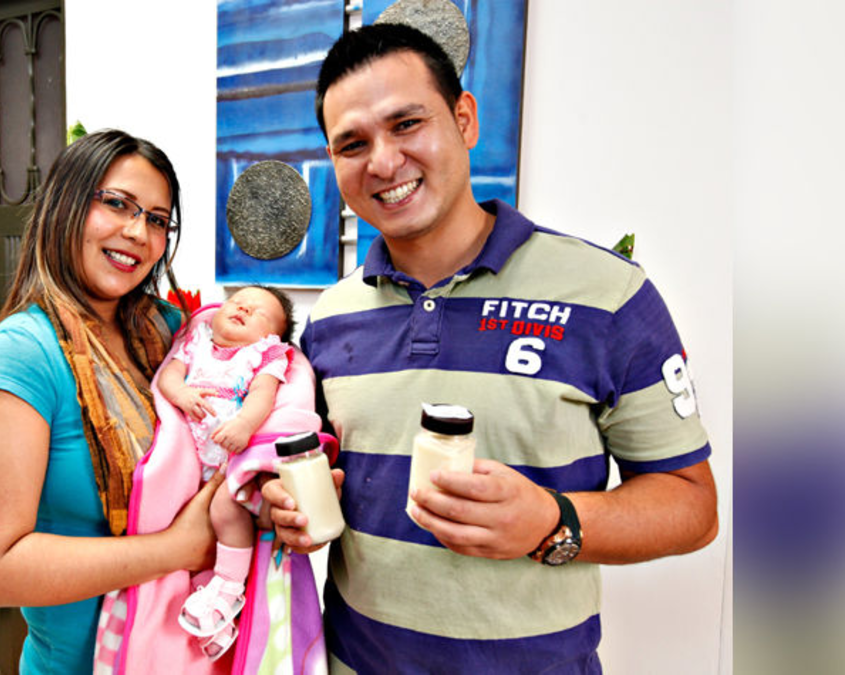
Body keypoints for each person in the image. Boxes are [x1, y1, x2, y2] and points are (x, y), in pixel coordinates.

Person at [262, 24, 719, 673]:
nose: (383, 162)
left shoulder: (608, 295)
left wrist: (552, 521)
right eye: (353, 144)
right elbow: (329, 481)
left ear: (464, 119)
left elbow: (692, 505)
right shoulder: (331, 320)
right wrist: (289, 506)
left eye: (406, 124)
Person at [0, 129, 222, 674]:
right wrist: (177, 549)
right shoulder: (22, 354)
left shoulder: (171, 334)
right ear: (64, 206)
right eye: (116, 203)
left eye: (158, 219)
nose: (138, 232)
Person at [159, 285, 295, 659]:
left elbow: (262, 396)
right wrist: (181, 395)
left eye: (258, 312)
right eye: (237, 302)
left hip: (229, 456)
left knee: (225, 511)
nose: (243, 309)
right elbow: (169, 376)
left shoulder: (264, 355)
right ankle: (210, 616)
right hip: (186, 453)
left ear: (273, 335)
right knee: (179, 524)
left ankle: (230, 587)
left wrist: (245, 426)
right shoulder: (195, 342)